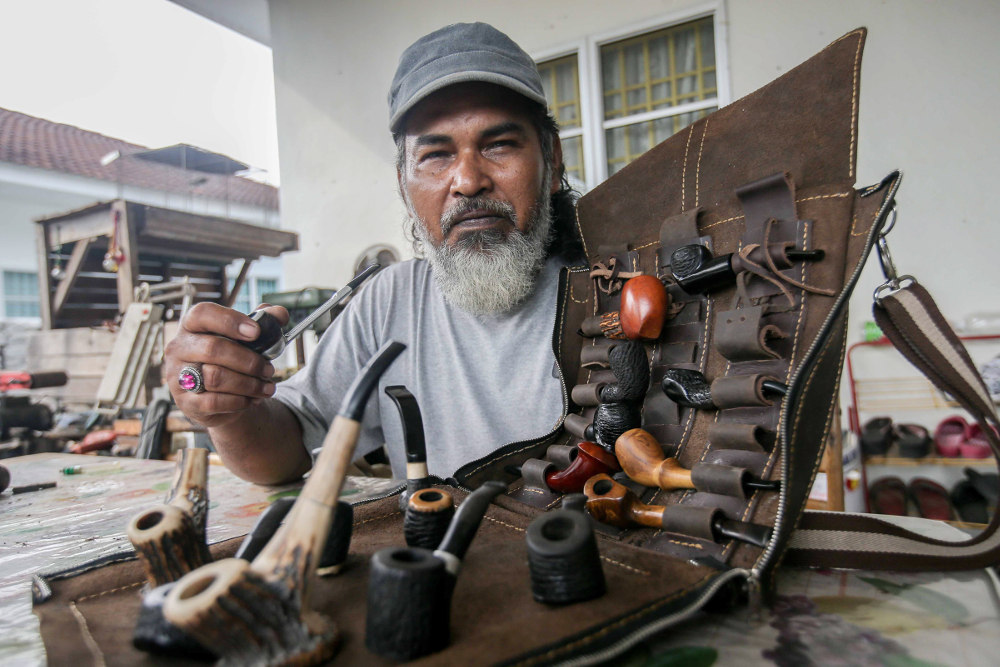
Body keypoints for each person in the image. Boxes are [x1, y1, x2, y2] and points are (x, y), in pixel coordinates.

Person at [164, 23, 585, 484]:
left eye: (499, 144)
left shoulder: (615, 287)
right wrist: (228, 412)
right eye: (436, 155)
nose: (467, 181)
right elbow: (281, 454)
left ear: (552, 158)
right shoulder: (389, 301)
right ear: (403, 183)